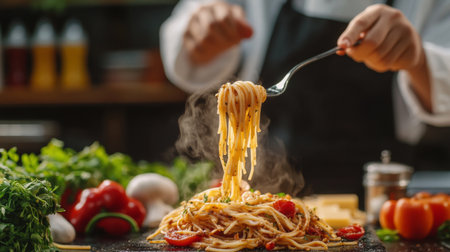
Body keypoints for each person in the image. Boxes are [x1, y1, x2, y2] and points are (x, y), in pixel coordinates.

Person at [160, 0, 450, 195]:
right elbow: (188, 22)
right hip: (261, 181)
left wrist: (418, 59)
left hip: (379, 194)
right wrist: (199, 31)